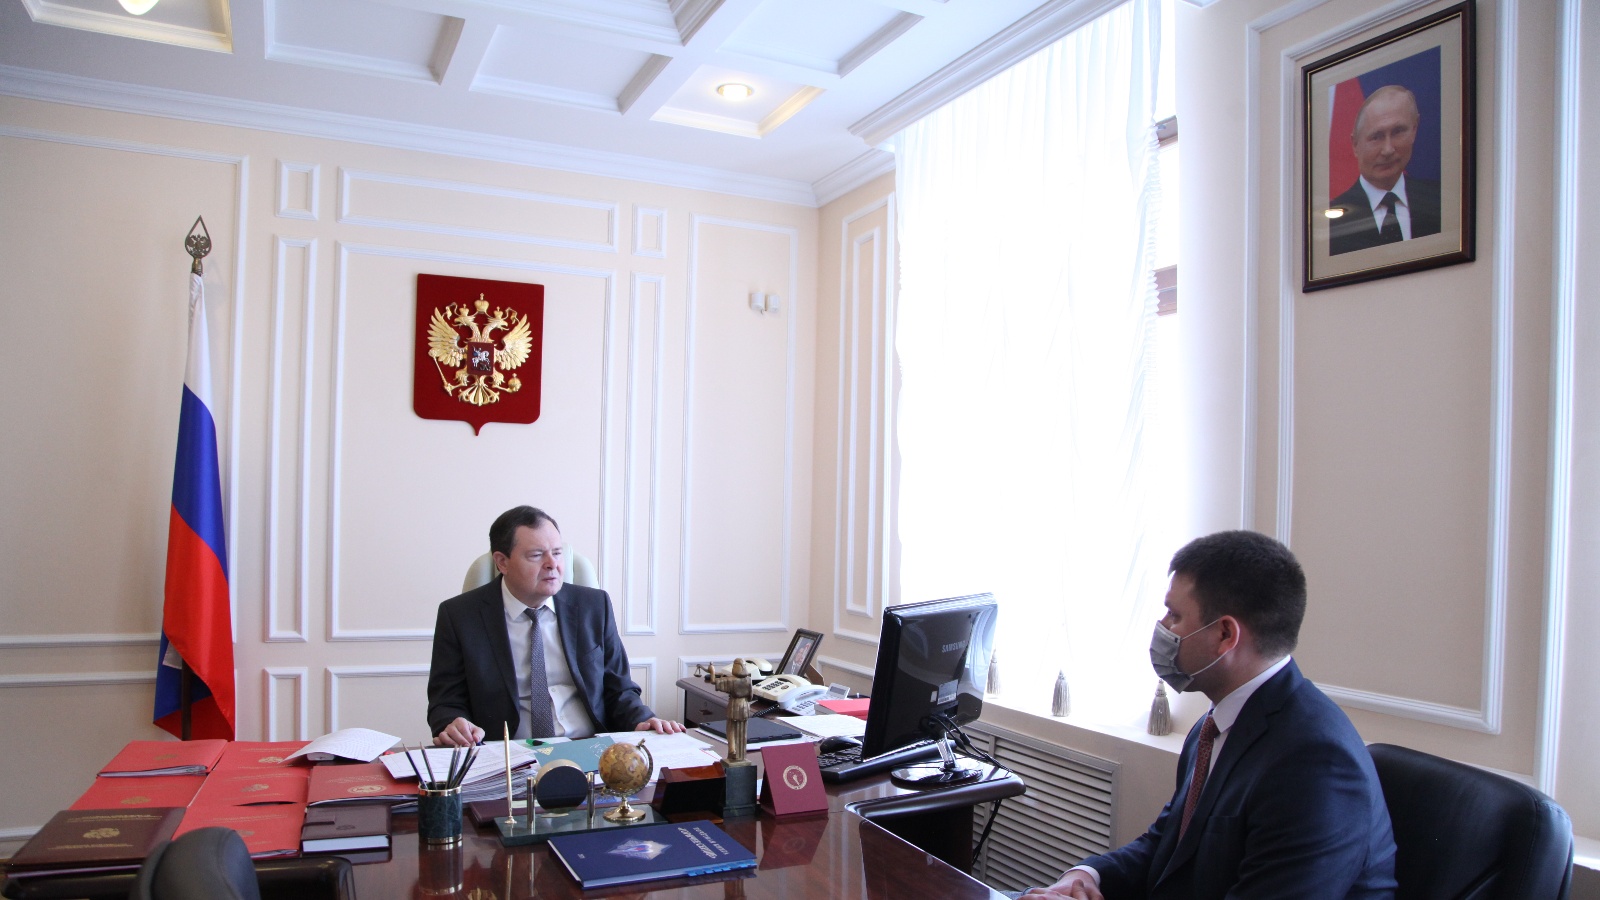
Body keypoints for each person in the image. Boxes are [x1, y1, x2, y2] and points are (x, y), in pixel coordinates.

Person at [1021, 531, 1396, 900]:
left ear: (1225, 634)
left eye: (1174, 615)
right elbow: (1167, 846)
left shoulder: (1315, 761)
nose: (1162, 627)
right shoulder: (1213, 726)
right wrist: (1085, 879)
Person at [427, 506, 684, 746]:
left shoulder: (594, 606)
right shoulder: (460, 616)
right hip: (508, 755)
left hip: (589, 747)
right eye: (536, 555)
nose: (553, 564)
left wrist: (642, 720)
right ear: (502, 562)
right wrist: (453, 723)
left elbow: (619, 689)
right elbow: (445, 702)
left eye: (557, 552)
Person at [1328, 84, 1442, 256]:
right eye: (1376, 137)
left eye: (1398, 132)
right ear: (1355, 144)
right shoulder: (1331, 224)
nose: (1388, 149)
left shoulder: (1439, 201)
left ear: (1414, 130)